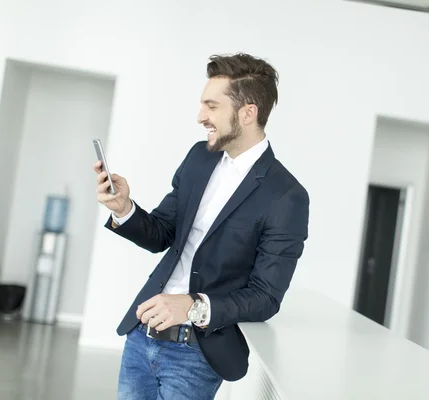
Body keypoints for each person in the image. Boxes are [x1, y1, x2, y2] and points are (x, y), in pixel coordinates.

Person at [93, 53, 309, 400]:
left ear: (247, 113)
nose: (200, 117)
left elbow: (266, 296)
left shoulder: (286, 196)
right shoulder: (199, 157)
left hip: (197, 352)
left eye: (211, 106)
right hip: (142, 335)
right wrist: (125, 209)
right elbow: (162, 232)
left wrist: (192, 305)